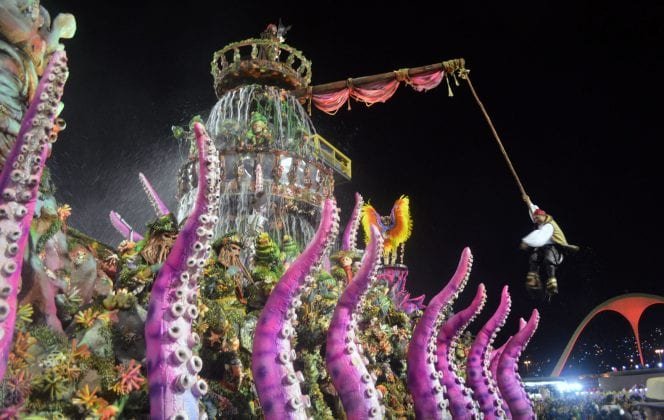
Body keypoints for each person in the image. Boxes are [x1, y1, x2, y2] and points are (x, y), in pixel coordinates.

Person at [520, 195, 579, 297]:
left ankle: (552, 282)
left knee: (549, 259)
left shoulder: (549, 225)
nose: (536, 220)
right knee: (534, 257)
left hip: (554, 247)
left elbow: (540, 236)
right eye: (535, 218)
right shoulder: (539, 219)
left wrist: (527, 241)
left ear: (543, 217)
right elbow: (534, 209)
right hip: (542, 246)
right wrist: (528, 201)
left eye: (537, 218)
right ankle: (533, 279)